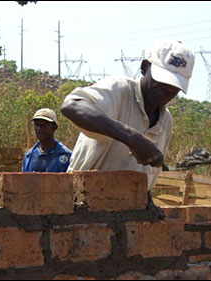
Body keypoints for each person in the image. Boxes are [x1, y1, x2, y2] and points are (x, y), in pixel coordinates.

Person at [60, 40, 195, 210]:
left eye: (174, 86)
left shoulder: (165, 120)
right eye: (162, 80)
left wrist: (148, 203)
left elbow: (145, 175)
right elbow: (72, 106)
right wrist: (132, 138)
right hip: (83, 206)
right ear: (145, 67)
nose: (167, 89)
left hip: (126, 214)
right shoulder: (119, 91)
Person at [22, 108, 72, 172]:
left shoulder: (66, 155)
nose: (39, 129)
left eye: (43, 125)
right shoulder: (29, 156)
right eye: (37, 125)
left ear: (54, 127)